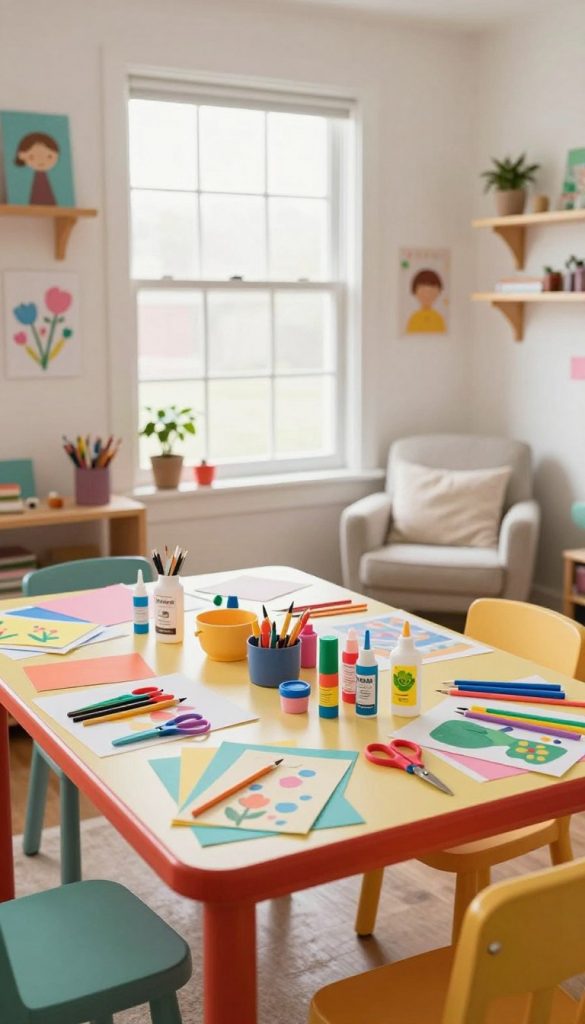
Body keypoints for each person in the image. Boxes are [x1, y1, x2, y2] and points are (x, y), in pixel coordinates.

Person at [14, 132, 60, 205]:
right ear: (21, 155)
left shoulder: (57, 179)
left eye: (49, 157)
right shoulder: (22, 180)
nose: (41, 161)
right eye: (32, 157)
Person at [406, 268, 446, 334]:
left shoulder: (439, 319)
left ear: (438, 292)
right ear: (415, 291)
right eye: (423, 291)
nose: (427, 295)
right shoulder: (414, 319)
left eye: (431, 291)